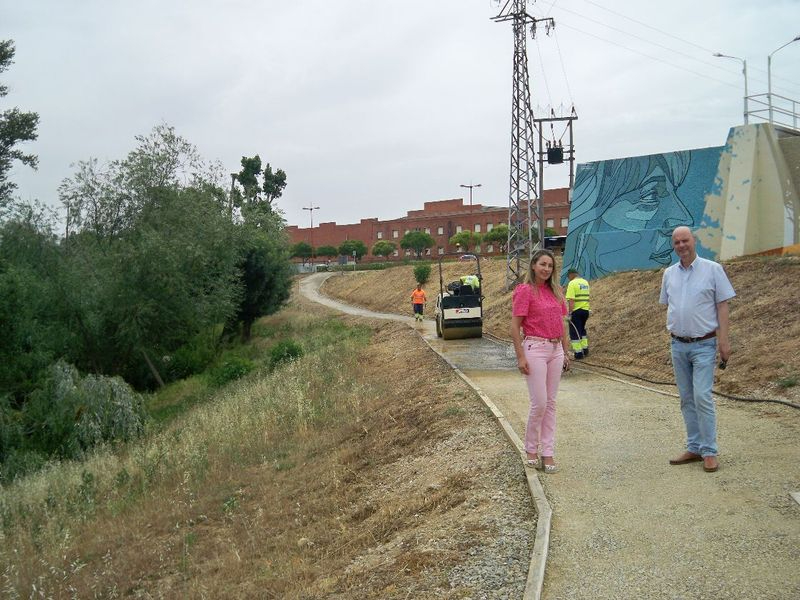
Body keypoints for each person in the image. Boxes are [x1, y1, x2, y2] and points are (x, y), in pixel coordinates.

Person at [660, 226, 735, 473]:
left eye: (685, 240)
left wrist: (724, 341)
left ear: (694, 241)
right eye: (677, 242)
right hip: (678, 345)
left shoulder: (712, 270)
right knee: (686, 398)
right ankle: (694, 446)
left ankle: (710, 450)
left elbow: (722, 306)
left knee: (702, 395)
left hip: (704, 344)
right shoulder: (669, 274)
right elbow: (669, 305)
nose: (681, 245)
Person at [510, 249, 571, 474]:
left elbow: (562, 323)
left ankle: (548, 451)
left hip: (555, 349)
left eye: (550, 266)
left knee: (552, 403)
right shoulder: (525, 291)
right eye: (543, 264)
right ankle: (530, 448)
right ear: (533, 265)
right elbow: (515, 326)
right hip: (535, 348)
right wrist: (520, 356)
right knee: (540, 403)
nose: (546, 269)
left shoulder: (557, 292)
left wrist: (566, 352)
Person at [565, 267, 590, 359]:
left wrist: (570, 313)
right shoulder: (585, 282)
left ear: (571, 275)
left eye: (568, 276)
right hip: (585, 311)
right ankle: (585, 349)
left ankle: (578, 353)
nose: (568, 278)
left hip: (576, 311)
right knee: (582, 330)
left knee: (574, 332)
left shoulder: (572, 283)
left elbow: (571, 300)